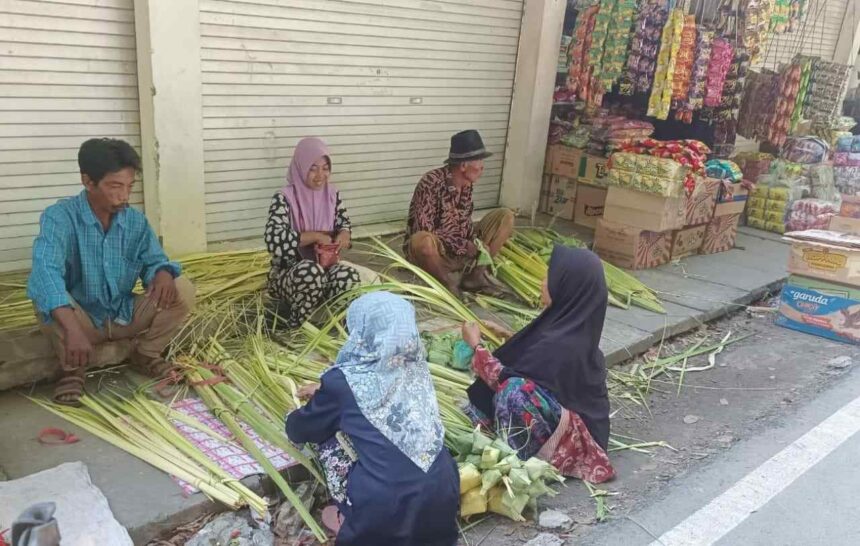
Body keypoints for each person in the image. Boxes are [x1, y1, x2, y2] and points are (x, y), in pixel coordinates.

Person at [27, 138, 196, 406]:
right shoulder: (59, 217)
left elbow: (154, 259)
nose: (124, 196)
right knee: (44, 293)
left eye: (129, 187)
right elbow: (46, 273)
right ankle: (73, 370)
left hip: (123, 316)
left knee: (182, 286)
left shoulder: (135, 221)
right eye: (115, 186)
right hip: (82, 322)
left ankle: (146, 353)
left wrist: (162, 271)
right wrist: (73, 329)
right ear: (88, 181)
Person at [285, 292, 459, 546]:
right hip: (442, 497)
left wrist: (302, 409)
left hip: (382, 510)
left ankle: (351, 513)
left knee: (330, 439)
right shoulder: (417, 370)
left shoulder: (342, 382)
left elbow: (301, 430)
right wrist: (327, 394)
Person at [461, 246, 615, 483]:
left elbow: (505, 378)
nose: (543, 283)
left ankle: (516, 462)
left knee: (513, 394)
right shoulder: (572, 326)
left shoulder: (564, 343)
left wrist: (476, 346)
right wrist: (509, 336)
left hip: (577, 444)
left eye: (550, 278)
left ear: (567, 286)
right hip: (569, 421)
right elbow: (539, 362)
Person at [264, 137, 361, 329]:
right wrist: (314, 236)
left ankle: (343, 329)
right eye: (313, 168)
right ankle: (297, 328)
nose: (320, 175)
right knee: (311, 273)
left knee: (349, 276)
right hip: (290, 275)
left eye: (325, 168)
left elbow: (344, 224)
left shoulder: (332, 195)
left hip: (326, 268)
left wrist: (344, 235)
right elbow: (273, 240)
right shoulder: (284, 198)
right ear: (301, 167)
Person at [404, 130, 515, 294]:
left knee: (505, 216)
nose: (482, 166)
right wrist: (463, 245)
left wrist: (477, 244)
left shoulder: (467, 184)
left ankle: (476, 276)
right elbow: (424, 229)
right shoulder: (431, 182)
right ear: (463, 165)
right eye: (479, 160)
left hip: (459, 252)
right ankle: (447, 282)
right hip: (438, 252)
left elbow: (464, 223)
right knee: (423, 241)